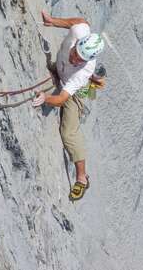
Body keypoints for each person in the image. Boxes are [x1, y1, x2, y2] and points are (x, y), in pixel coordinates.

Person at [32, 11, 105, 201]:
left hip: (75, 91)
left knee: (68, 133)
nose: (75, 59)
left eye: (80, 60)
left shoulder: (83, 71)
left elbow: (63, 98)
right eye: (75, 54)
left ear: (87, 61)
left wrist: (46, 98)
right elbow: (80, 21)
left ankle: (82, 178)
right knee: (63, 67)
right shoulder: (80, 32)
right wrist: (53, 22)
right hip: (61, 71)